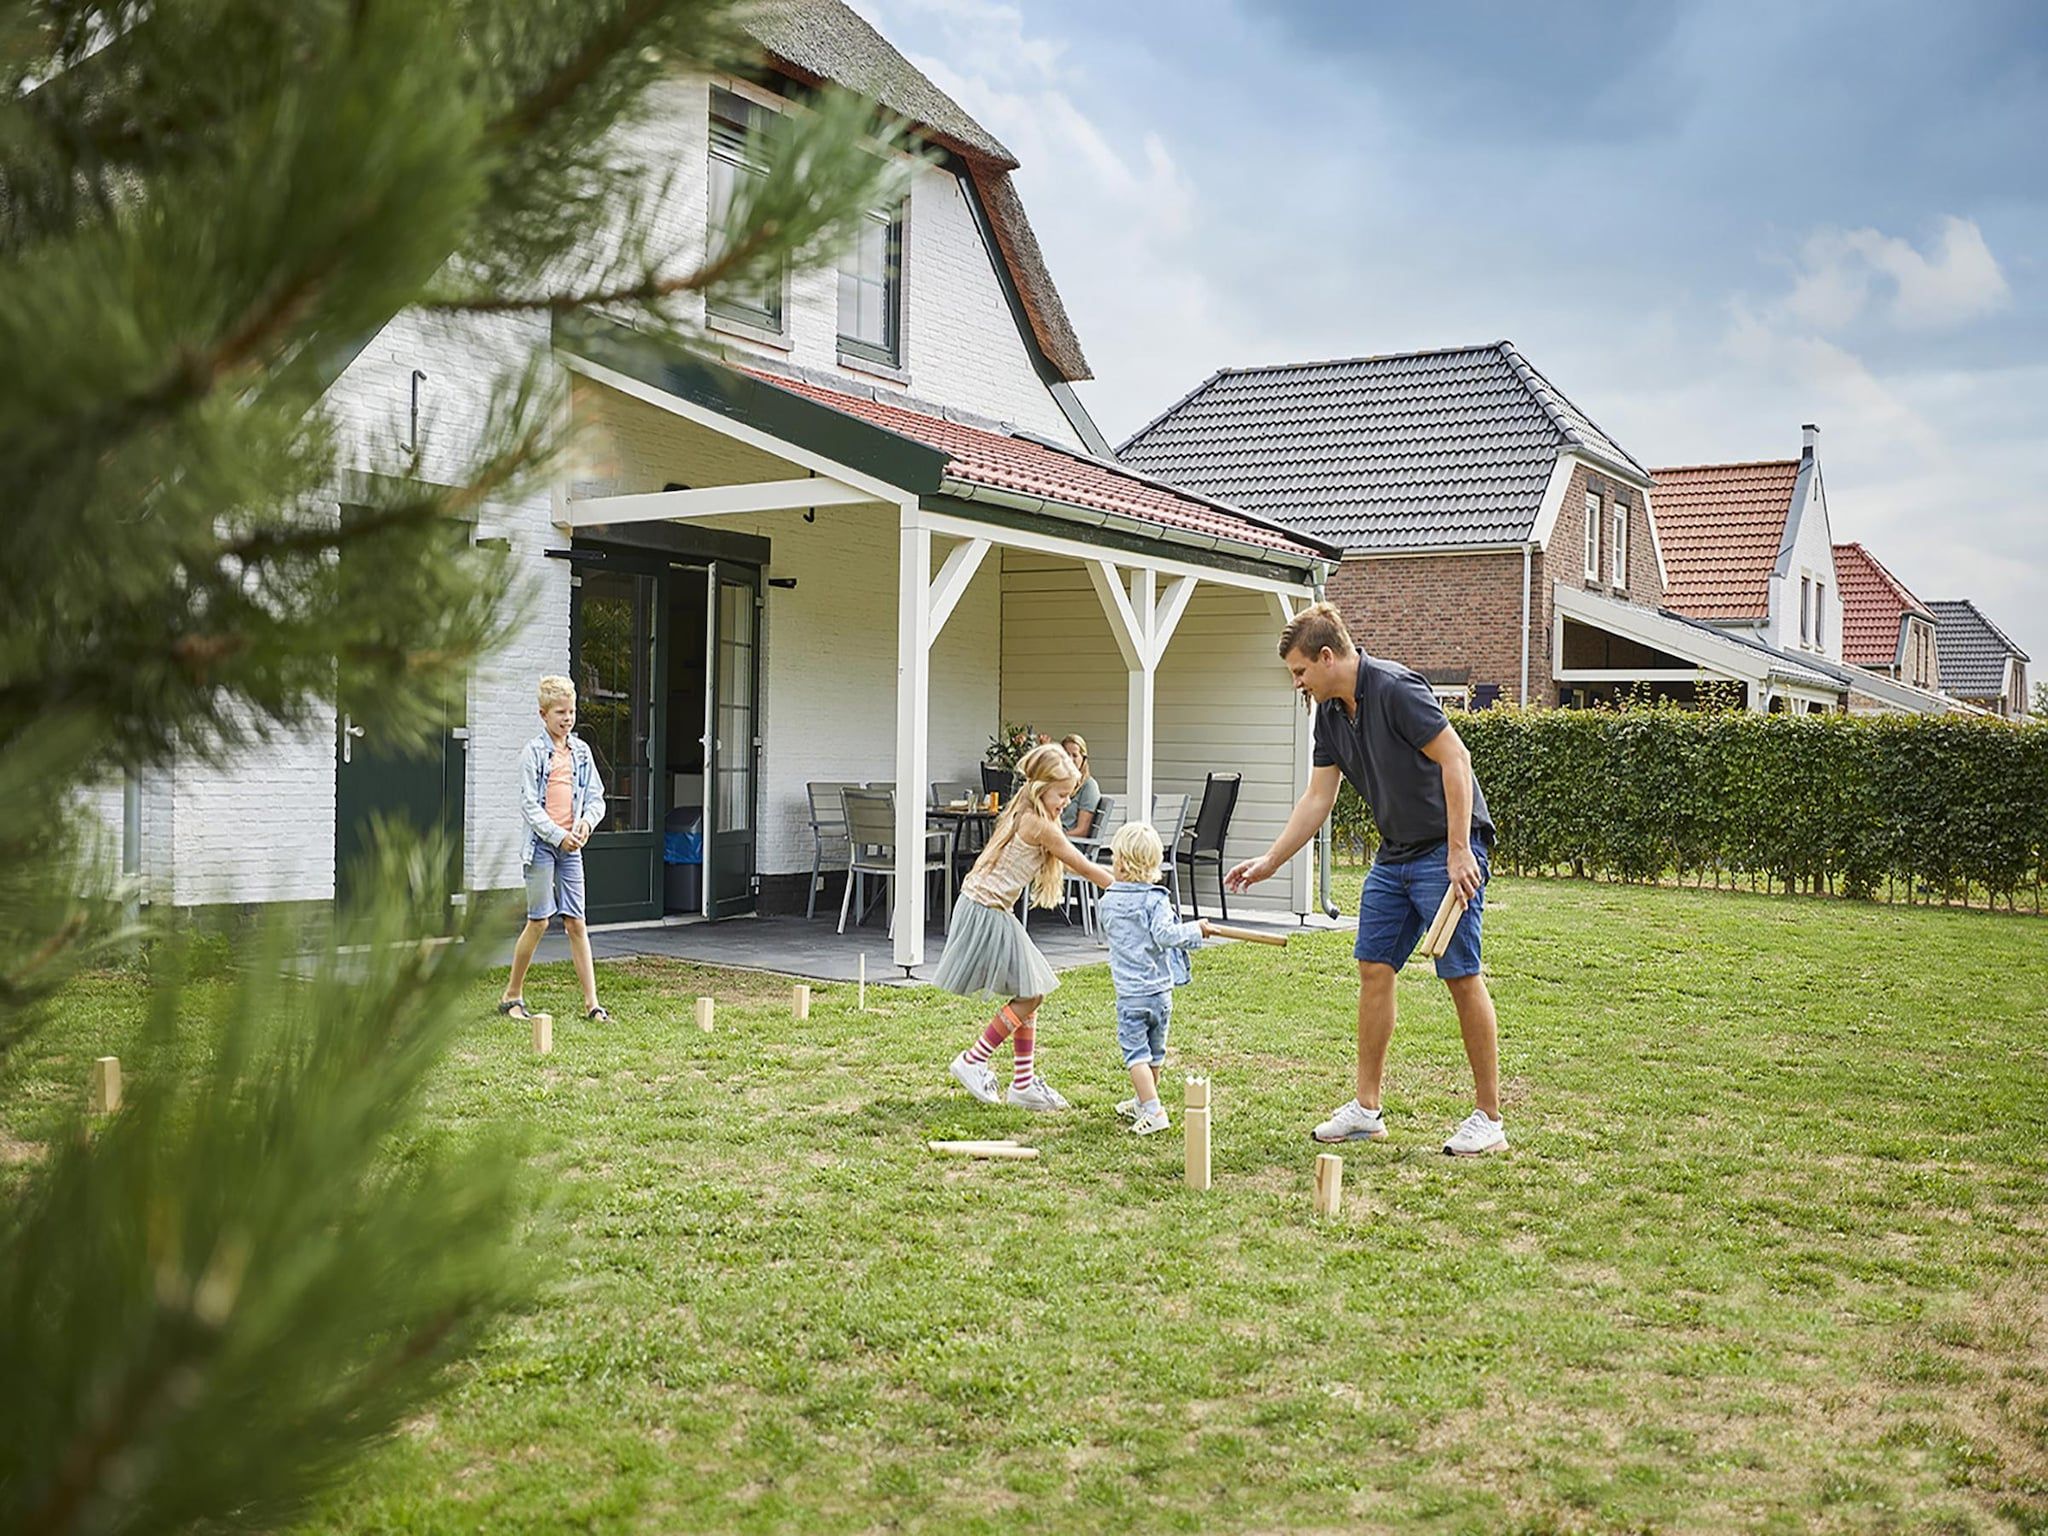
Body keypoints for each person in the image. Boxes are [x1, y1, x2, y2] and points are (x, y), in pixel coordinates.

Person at [1224, 602, 1507, 1156]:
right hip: (1395, 854)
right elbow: (1317, 798)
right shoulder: (1329, 714)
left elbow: (1457, 760)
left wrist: (1458, 851)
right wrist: (1270, 862)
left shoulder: (1398, 689)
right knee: (1373, 968)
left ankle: (1488, 1117)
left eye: (1301, 672)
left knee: (1460, 973)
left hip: (1445, 850)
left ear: (1327, 657)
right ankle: (1367, 1110)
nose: (1298, 684)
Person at [940, 742, 1113, 1111]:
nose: (1066, 802)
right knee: (1031, 994)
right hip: (986, 908)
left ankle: (1023, 1084)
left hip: (983, 905)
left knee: (1030, 988)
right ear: (1041, 788)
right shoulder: (1040, 825)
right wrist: (1128, 885)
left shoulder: (1024, 808)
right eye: (1062, 794)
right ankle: (973, 1059)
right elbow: (1082, 865)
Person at [498, 674, 610, 1024]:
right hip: (542, 847)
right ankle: (512, 995)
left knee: (577, 923)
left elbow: (596, 798)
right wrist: (558, 835)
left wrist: (585, 825)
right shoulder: (532, 754)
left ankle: (592, 1004)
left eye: (572, 711)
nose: (567, 718)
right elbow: (529, 807)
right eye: (560, 712)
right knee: (540, 920)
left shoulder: (581, 752)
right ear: (543, 714)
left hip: (571, 846)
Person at [1097, 822, 1212, 1135]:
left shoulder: (1108, 900)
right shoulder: (1156, 900)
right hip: (1161, 994)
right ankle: (1142, 1102)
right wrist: (1195, 929)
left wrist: (1190, 930)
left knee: (1136, 1056)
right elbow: (1166, 935)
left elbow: (1112, 926)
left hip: (1132, 995)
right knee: (1155, 1053)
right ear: (1153, 865)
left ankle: (1154, 1111)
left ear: (1119, 862)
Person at [1058, 733, 1101, 840]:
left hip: (1071, 844)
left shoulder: (1089, 786)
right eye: (1066, 755)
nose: (1070, 759)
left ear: (1083, 758)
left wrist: (1055, 838)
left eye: (1075, 755)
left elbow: (1082, 831)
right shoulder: (1059, 783)